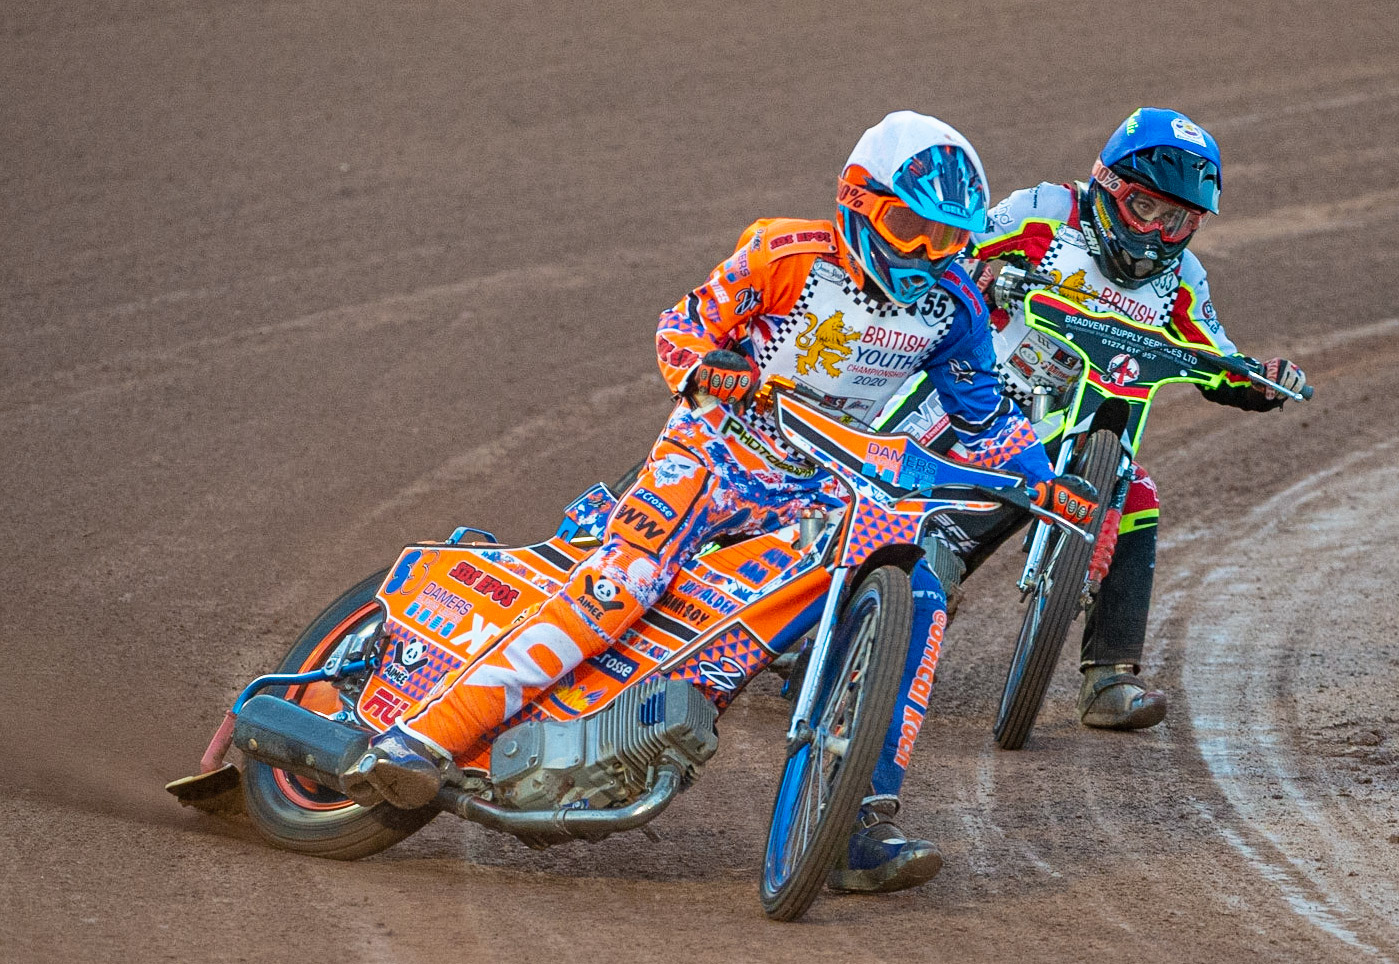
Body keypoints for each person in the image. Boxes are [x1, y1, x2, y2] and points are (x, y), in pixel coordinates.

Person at [341, 110, 1095, 893]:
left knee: (921, 596)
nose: (927, 256)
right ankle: (424, 740)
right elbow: (680, 327)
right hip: (715, 452)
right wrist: (712, 363)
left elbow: (985, 419)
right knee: (623, 584)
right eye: (910, 228)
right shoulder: (782, 254)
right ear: (856, 201)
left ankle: (857, 820)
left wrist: (1044, 482)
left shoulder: (955, 309)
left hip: (823, 485)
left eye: (948, 241)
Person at [876, 107, 1308, 730]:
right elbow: (947, 249)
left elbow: (1215, 354)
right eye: (1146, 208)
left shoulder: (1182, 279)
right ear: (1107, 186)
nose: (1160, 233)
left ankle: (1109, 676)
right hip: (975, 399)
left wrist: (1260, 382)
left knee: (1135, 493)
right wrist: (982, 277)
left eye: (1180, 219)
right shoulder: (1047, 212)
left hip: (1078, 436)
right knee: (901, 521)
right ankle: (828, 603)